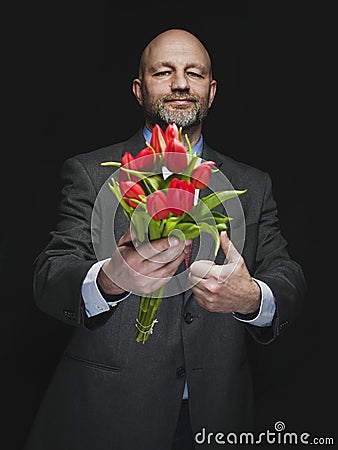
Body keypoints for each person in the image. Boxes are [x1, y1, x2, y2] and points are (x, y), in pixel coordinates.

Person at [25, 28, 307, 450]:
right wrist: (110, 279)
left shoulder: (253, 184)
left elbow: (288, 278)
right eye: (164, 72)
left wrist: (251, 297)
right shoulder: (91, 173)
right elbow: (51, 274)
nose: (180, 82)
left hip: (220, 421)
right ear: (139, 90)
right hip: (108, 419)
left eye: (194, 73)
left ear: (211, 93)